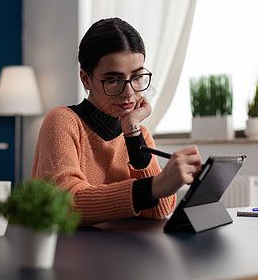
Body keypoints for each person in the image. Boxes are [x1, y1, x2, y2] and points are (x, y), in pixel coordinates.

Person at [31, 17, 202, 226]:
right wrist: (155, 186)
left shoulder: (139, 133)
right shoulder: (63, 121)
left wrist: (132, 133)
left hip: (120, 252)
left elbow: (159, 210)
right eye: (113, 80)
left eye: (137, 77)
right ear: (85, 79)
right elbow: (66, 202)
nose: (129, 93)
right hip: (66, 252)